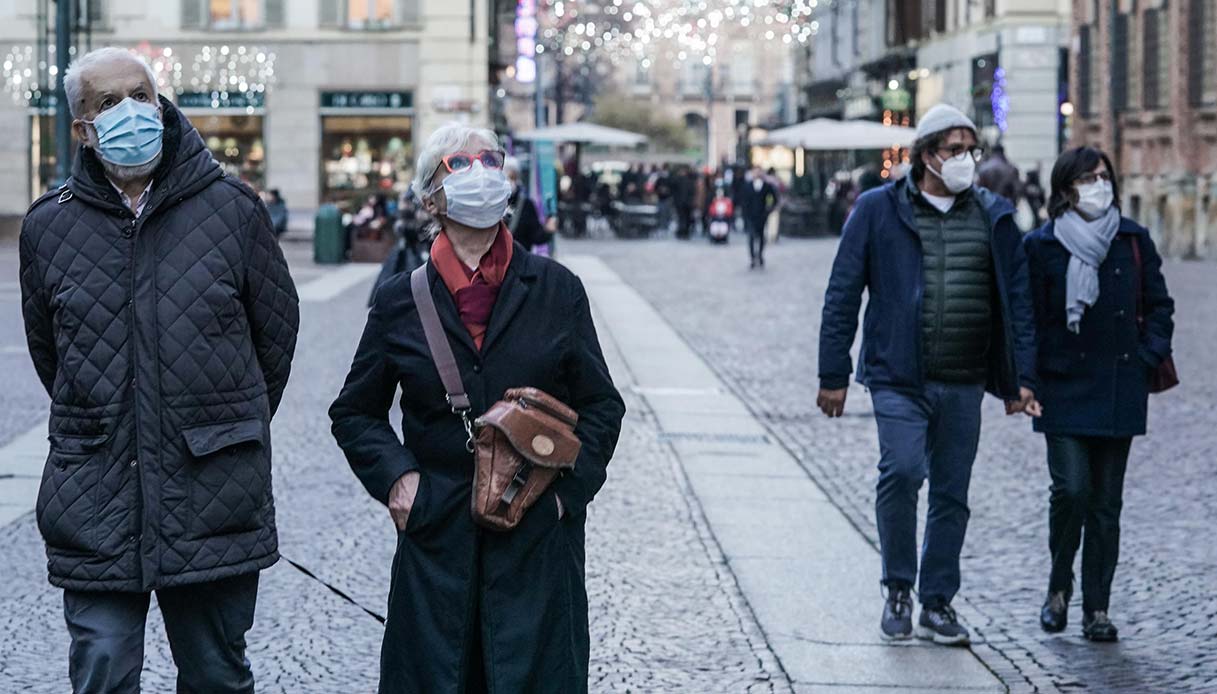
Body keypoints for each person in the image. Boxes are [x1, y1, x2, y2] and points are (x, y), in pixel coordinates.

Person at [18, 47, 299, 692]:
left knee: (215, 676)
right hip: (96, 490)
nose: (130, 113)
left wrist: (227, 423)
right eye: (108, 103)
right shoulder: (48, 225)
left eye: (139, 95)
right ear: (82, 130)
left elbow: (275, 338)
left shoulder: (233, 208)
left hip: (211, 488)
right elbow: (50, 354)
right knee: (102, 670)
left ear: (161, 102)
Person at [329, 122, 626, 693]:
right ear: (430, 198)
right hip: (438, 537)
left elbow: (601, 405)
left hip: (537, 538)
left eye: (491, 160)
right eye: (460, 164)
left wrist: (567, 496)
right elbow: (355, 412)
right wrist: (399, 483)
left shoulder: (557, 289)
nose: (482, 173)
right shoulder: (399, 301)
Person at [817, 103, 1039, 647]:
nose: (965, 159)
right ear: (925, 156)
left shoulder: (993, 212)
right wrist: (833, 373)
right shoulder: (877, 209)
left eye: (971, 148)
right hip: (898, 374)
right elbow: (843, 292)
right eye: (954, 149)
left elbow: (1018, 301)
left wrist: (1022, 378)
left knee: (952, 493)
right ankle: (898, 586)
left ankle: (937, 601)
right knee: (901, 471)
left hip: (965, 375)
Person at [1023, 147, 1174, 642]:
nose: (1099, 185)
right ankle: (1057, 584)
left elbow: (1159, 305)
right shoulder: (1041, 246)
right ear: (1065, 188)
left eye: (1104, 177)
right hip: (1062, 386)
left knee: (1107, 504)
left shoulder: (1132, 240)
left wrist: (1147, 356)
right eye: (1088, 178)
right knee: (1071, 490)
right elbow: (1027, 319)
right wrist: (1026, 378)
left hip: (1118, 385)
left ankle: (1097, 609)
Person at [503, 155, 549, 252]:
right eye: (504, 177)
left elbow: (537, 236)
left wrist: (548, 231)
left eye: (512, 177)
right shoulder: (489, 204)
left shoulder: (526, 205)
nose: (508, 181)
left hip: (520, 261)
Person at [739, 165, 778, 268]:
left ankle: (760, 255)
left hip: (762, 215)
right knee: (751, 237)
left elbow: (774, 198)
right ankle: (752, 257)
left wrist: (768, 210)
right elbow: (743, 200)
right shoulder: (747, 185)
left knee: (761, 236)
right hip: (750, 215)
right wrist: (745, 213)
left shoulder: (766, 186)